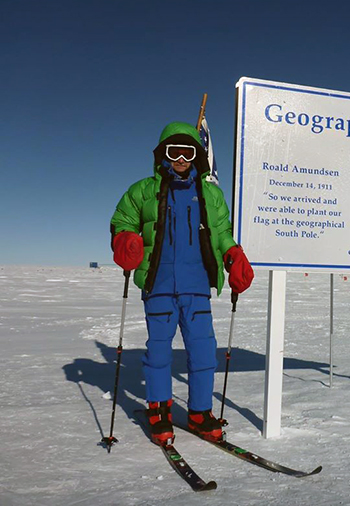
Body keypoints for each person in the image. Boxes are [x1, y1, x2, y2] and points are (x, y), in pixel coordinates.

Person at [110, 121, 254, 446]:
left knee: (204, 353)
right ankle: (159, 410)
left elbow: (223, 232)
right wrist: (126, 240)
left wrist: (233, 255)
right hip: (158, 285)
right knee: (158, 353)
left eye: (188, 152)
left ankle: (200, 412)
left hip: (197, 286)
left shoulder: (211, 195)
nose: (181, 159)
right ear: (163, 154)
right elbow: (123, 220)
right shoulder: (143, 190)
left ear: (197, 157)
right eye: (174, 151)